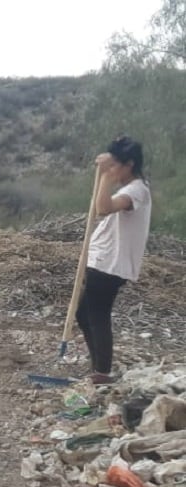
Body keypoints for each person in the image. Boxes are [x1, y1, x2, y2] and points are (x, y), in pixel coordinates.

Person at [77, 135, 151, 384]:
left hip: (111, 264)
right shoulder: (131, 187)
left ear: (129, 164)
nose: (112, 169)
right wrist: (106, 169)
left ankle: (102, 372)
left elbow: (103, 208)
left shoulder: (137, 191)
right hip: (104, 260)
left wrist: (106, 177)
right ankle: (98, 366)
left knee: (97, 313)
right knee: (83, 314)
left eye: (116, 164)